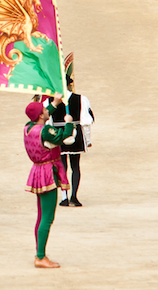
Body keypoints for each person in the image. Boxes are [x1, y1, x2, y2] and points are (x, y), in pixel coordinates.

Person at [23, 96, 75, 268]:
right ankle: (40, 256)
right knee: (47, 217)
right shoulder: (44, 131)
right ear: (40, 115)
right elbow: (64, 136)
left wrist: (55, 104)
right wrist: (69, 122)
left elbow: (44, 117)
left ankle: (40, 252)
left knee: (41, 216)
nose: (47, 111)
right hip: (48, 173)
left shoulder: (28, 127)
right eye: (44, 110)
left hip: (38, 171)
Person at [53, 54, 94, 207]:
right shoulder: (81, 98)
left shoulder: (51, 101)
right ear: (70, 85)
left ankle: (64, 197)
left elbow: (48, 121)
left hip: (58, 135)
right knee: (75, 166)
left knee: (62, 166)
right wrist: (87, 140)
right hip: (76, 134)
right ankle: (74, 197)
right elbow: (86, 121)